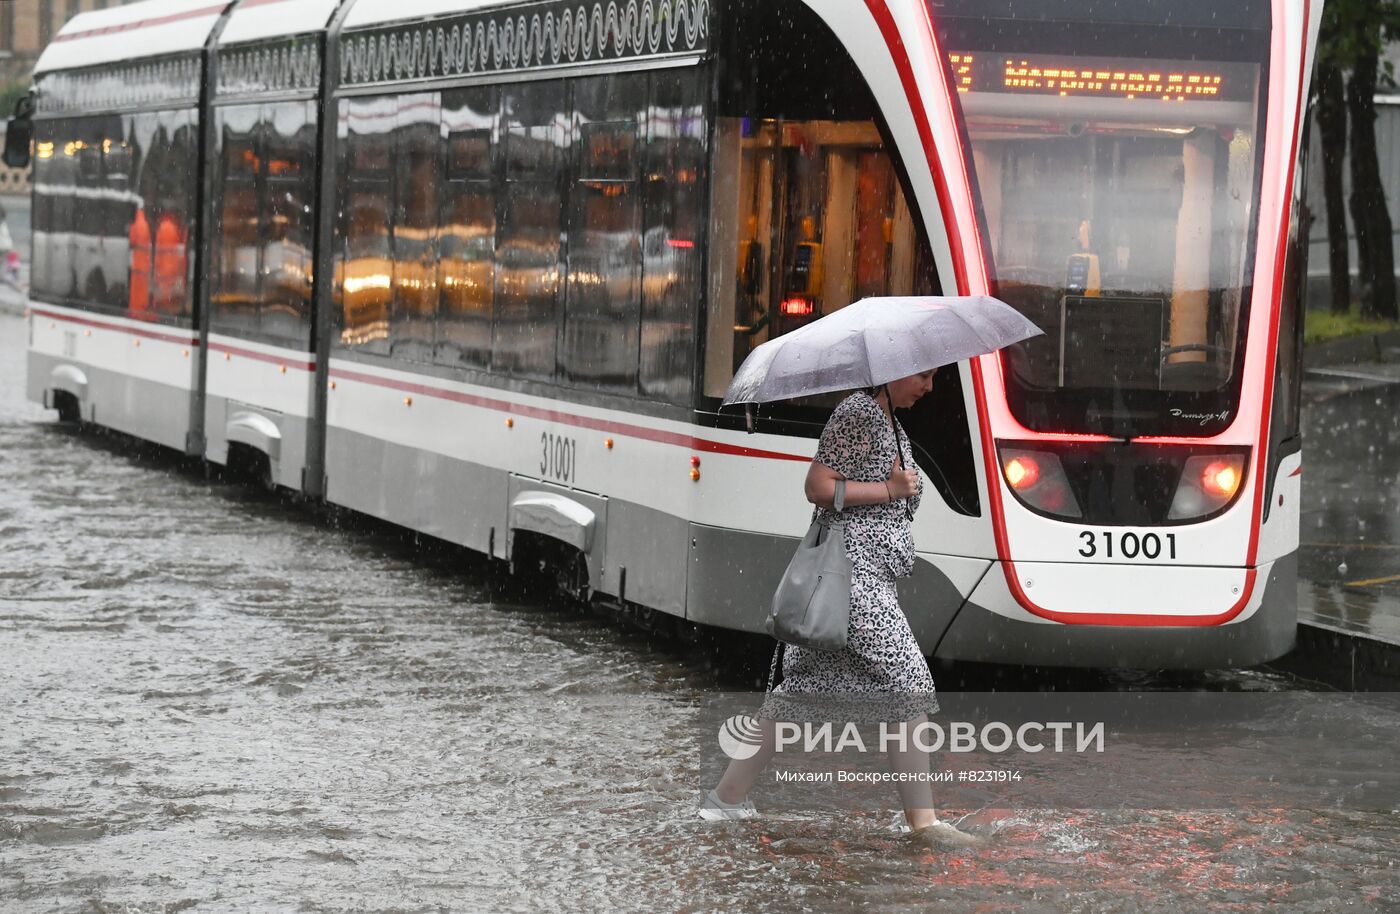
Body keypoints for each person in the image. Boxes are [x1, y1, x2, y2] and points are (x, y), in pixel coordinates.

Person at [697, 369, 983, 849]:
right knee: (908, 679)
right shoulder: (858, 412)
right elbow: (817, 486)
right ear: (893, 371)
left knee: (806, 687)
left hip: (871, 575)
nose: (931, 386)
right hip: (852, 575)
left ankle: (726, 797)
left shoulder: (889, 420)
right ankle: (923, 822)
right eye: (924, 375)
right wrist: (892, 490)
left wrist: (900, 491)